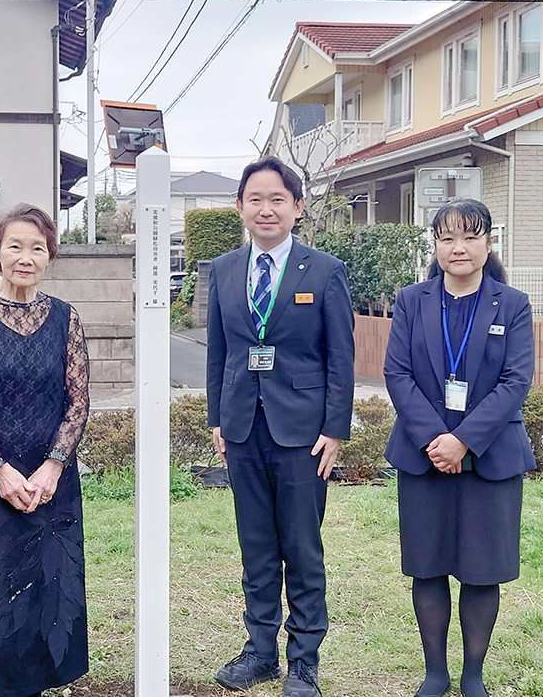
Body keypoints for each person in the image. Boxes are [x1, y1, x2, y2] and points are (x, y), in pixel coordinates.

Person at [206, 156, 355, 697]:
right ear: (240, 206)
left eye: (277, 200)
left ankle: (304, 659)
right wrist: (218, 420)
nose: (265, 209)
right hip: (243, 427)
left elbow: (341, 356)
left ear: (297, 206)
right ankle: (259, 651)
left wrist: (335, 428)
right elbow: (219, 353)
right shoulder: (222, 270)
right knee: (256, 545)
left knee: (301, 545)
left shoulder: (324, 270)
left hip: (304, 433)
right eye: (255, 199)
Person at [384, 199, 536, 697]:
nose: (459, 247)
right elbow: (397, 374)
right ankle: (435, 672)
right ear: (435, 245)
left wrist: (464, 440)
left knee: (480, 568)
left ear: (488, 242)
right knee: (427, 566)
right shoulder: (412, 300)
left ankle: (473, 673)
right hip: (423, 457)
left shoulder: (512, 304)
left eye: (470, 236)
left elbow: (516, 381)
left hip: (490, 459)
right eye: (447, 237)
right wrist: (436, 439)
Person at [0, 203, 90, 697]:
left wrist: (52, 467)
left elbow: (78, 401)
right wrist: (0, 470)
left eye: (38, 247)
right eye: (15, 246)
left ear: (50, 255)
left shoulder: (66, 318)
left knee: (49, 586)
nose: (26, 256)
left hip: (52, 481)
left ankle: (39, 685)